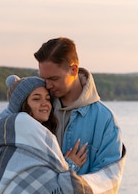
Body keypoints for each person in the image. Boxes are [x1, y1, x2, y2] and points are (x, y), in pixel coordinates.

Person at [34, 37, 123, 175]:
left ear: (74, 70)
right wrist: (68, 167)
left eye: (53, 79)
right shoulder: (36, 110)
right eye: (44, 78)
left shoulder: (104, 120)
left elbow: (105, 181)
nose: (47, 85)